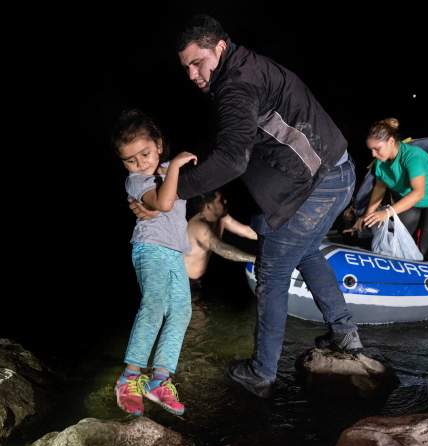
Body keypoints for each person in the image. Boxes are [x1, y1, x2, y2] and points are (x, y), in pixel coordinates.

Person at [133, 14, 363, 398]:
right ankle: (346, 335)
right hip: (336, 172)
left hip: (319, 184)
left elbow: (232, 161)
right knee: (306, 253)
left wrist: (169, 196)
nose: (192, 74)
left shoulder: (236, 85)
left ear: (219, 48)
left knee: (271, 270)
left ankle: (262, 372)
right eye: (186, 67)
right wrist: (171, 171)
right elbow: (231, 142)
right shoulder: (245, 68)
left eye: (197, 63)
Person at [113, 108, 197, 417]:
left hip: (174, 251)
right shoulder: (137, 181)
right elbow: (162, 202)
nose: (139, 163)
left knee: (182, 310)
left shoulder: (164, 170)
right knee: (155, 304)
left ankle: (160, 379)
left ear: (159, 144)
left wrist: (171, 168)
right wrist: (173, 165)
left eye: (145, 154)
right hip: (150, 248)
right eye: (130, 159)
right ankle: (129, 377)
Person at [357, 119, 428, 260]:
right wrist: (367, 216)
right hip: (410, 198)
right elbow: (380, 187)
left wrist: (387, 212)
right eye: (371, 150)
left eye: (377, 149)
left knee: (426, 247)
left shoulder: (412, 156)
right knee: (396, 238)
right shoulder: (380, 162)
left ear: (391, 142)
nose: (373, 154)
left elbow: (418, 193)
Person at [185, 191, 257, 282]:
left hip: (198, 279)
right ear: (208, 206)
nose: (225, 201)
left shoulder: (221, 218)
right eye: (221, 200)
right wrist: (255, 259)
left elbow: (247, 232)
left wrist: (274, 237)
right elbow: (222, 249)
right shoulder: (199, 226)